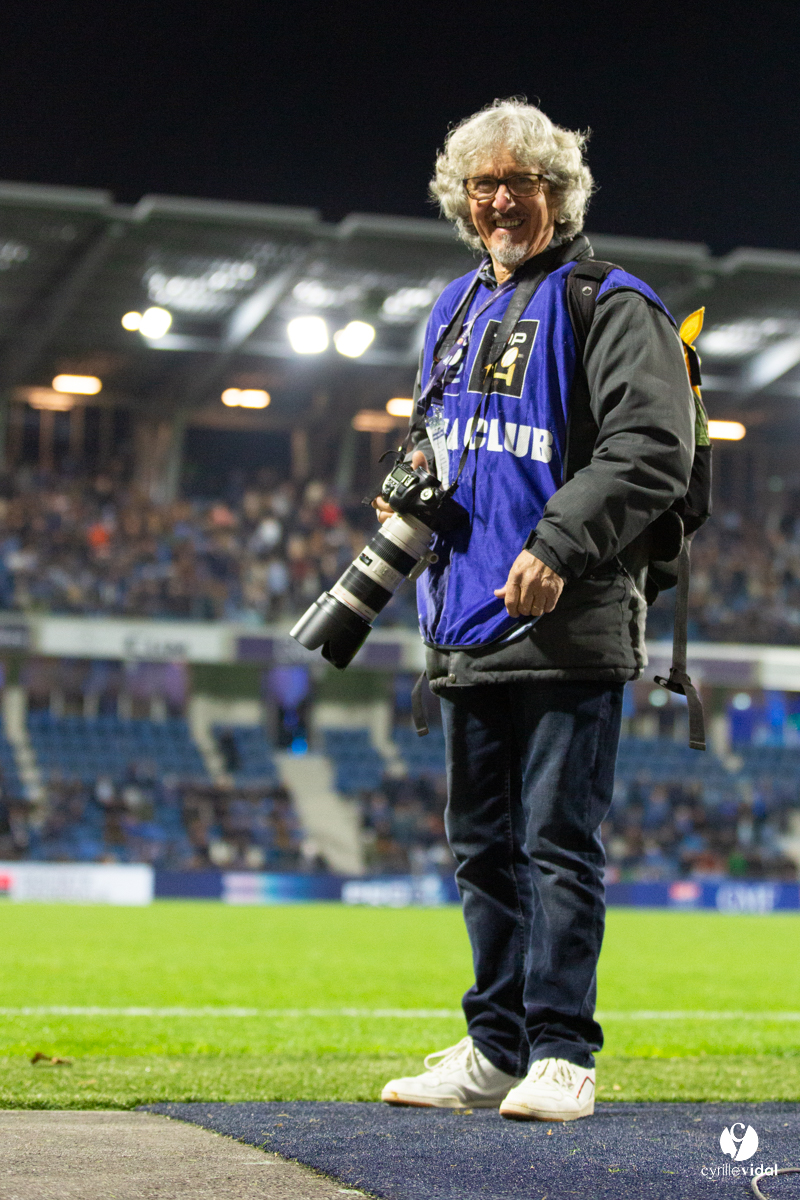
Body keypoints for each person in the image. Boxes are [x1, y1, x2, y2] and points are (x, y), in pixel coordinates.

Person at [374, 99, 694, 1121]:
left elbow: (650, 447)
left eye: (519, 181)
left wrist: (556, 544)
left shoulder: (611, 301)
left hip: (568, 619)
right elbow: (437, 438)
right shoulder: (451, 310)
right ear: (461, 201)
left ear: (558, 192)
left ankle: (563, 1052)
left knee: (557, 843)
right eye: (481, 186)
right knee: (479, 850)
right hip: (461, 621)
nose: (500, 200)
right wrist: (403, 485)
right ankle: (493, 1048)